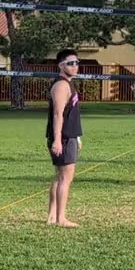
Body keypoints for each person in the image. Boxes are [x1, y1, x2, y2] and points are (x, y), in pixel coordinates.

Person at [45, 49, 83, 227]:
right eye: (70, 63)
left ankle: (52, 216)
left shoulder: (69, 83)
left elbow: (70, 113)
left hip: (70, 135)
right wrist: (58, 140)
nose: (75, 66)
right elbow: (58, 114)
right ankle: (61, 218)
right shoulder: (61, 85)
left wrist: (77, 136)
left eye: (76, 62)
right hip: (64, 137)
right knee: (65, 178)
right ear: (61, 65)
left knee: (59, 176)